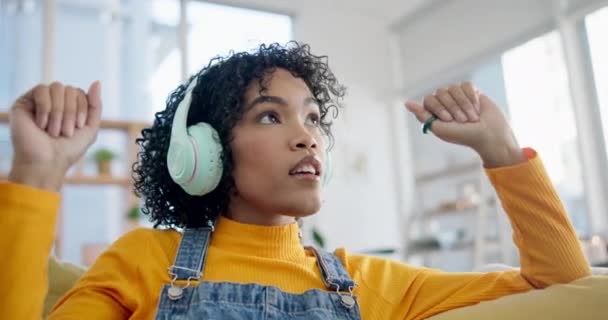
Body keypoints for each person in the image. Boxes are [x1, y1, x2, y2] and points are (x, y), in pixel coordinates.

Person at [0, 42, 590, 319]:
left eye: (312, 117)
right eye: (269, 115)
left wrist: (501, 150)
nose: (307, 136)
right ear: (202, 151)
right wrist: (37, 171)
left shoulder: (370, 283)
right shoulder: (142, 262)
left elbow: (564, 284)